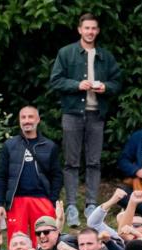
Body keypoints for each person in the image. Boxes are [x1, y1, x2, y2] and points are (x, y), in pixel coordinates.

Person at [50, 12, 122, 227]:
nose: (90, 32)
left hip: (96, 115)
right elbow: (55, 80)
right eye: (86, 28)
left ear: (97, 31)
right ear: (80, 30)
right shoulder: (66, 53)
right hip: (72, 114)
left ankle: (91, 204)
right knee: (71, 162)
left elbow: (117, 83)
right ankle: (71, 206)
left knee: (94, 162)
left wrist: (106, 87)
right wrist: (76, 85)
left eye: (94, 28)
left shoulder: (106, 56)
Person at [0, 106, 62, 244]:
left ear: (38, 120)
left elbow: (57, 176)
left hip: (42, 200)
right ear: (19, 121)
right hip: (16, 201)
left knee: (45, 242)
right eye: (23, 117)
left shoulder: (50, 146)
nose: (26, 121)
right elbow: (2, 176)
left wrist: (52, 201)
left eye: (30, 117)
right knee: (18, 242)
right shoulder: (9, 145)